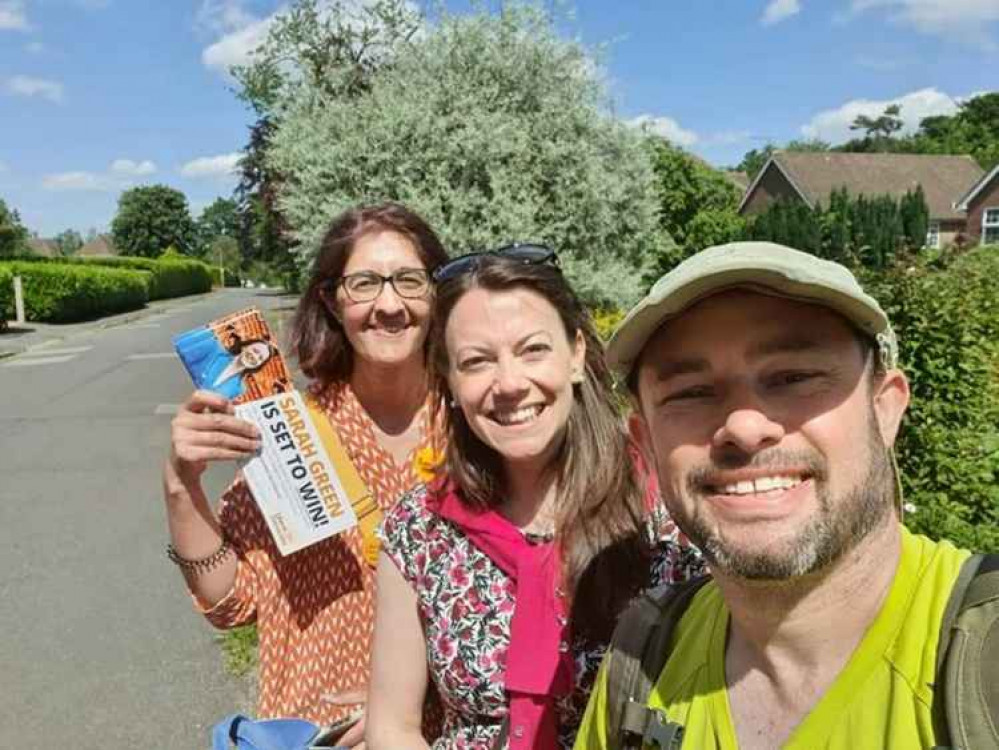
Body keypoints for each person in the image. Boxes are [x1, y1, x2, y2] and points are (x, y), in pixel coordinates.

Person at [574, 241, 994, 749]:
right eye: (690, 392)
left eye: (794, 377)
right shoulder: (642, 661)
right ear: (646, 444)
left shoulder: (982, 660)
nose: (744, 427)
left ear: (884, 408)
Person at [365, 245, 704, 749]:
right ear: (451, 385)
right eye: (476, 362)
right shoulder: (421, 529)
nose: (509, 383)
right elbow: (392, 728)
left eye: (532, 350)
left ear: (576, 355)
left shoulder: (669, 506)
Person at [162, 203, 449, 745]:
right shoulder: (288, 430)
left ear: (437, 295)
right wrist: (181, 485)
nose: (389, 304)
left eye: (409, 281)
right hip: (313, 731)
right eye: (364, 283)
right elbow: (233, 601)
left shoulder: (475, 435)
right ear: (331, 301)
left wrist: (400, 702)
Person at [174, 331, 276, 400]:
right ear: (245, 346)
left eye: (260, 358)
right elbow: (178, 350)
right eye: (255, 350)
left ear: (258, 366)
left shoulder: (239, 389)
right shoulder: (213, 348)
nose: (254, 356)